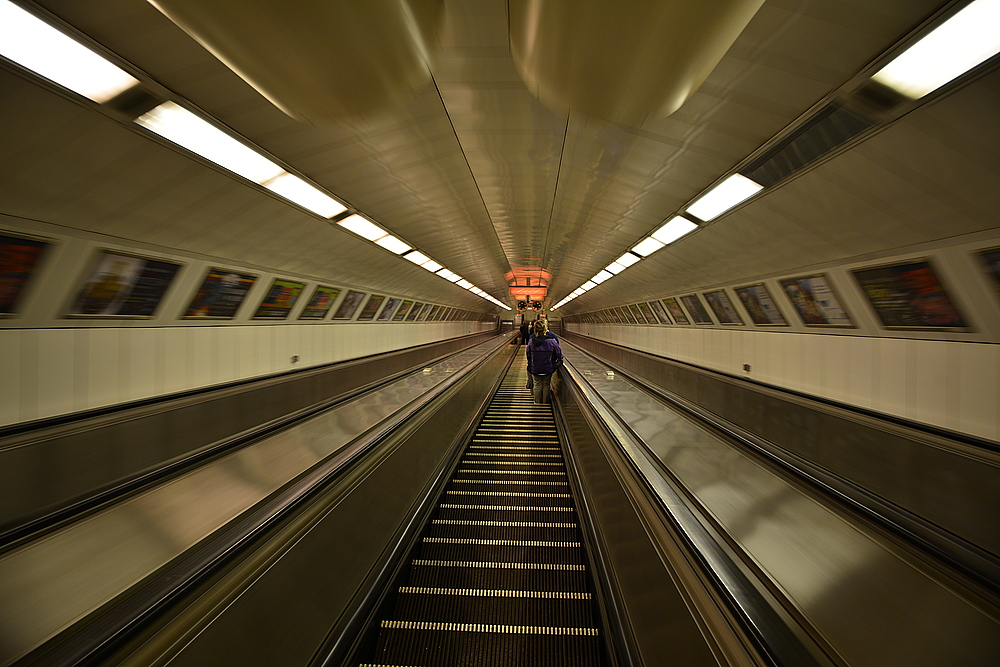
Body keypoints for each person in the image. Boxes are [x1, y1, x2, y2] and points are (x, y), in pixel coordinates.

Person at [526, 318, 562, 404]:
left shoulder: (531, 341)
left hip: (535, 368)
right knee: (546, 384)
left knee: (537, 385)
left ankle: (537, 402)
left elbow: (528, 354)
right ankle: (545, 402)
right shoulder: (552, 341)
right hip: (548, 368)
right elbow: (559, 354)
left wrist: (531, 364)